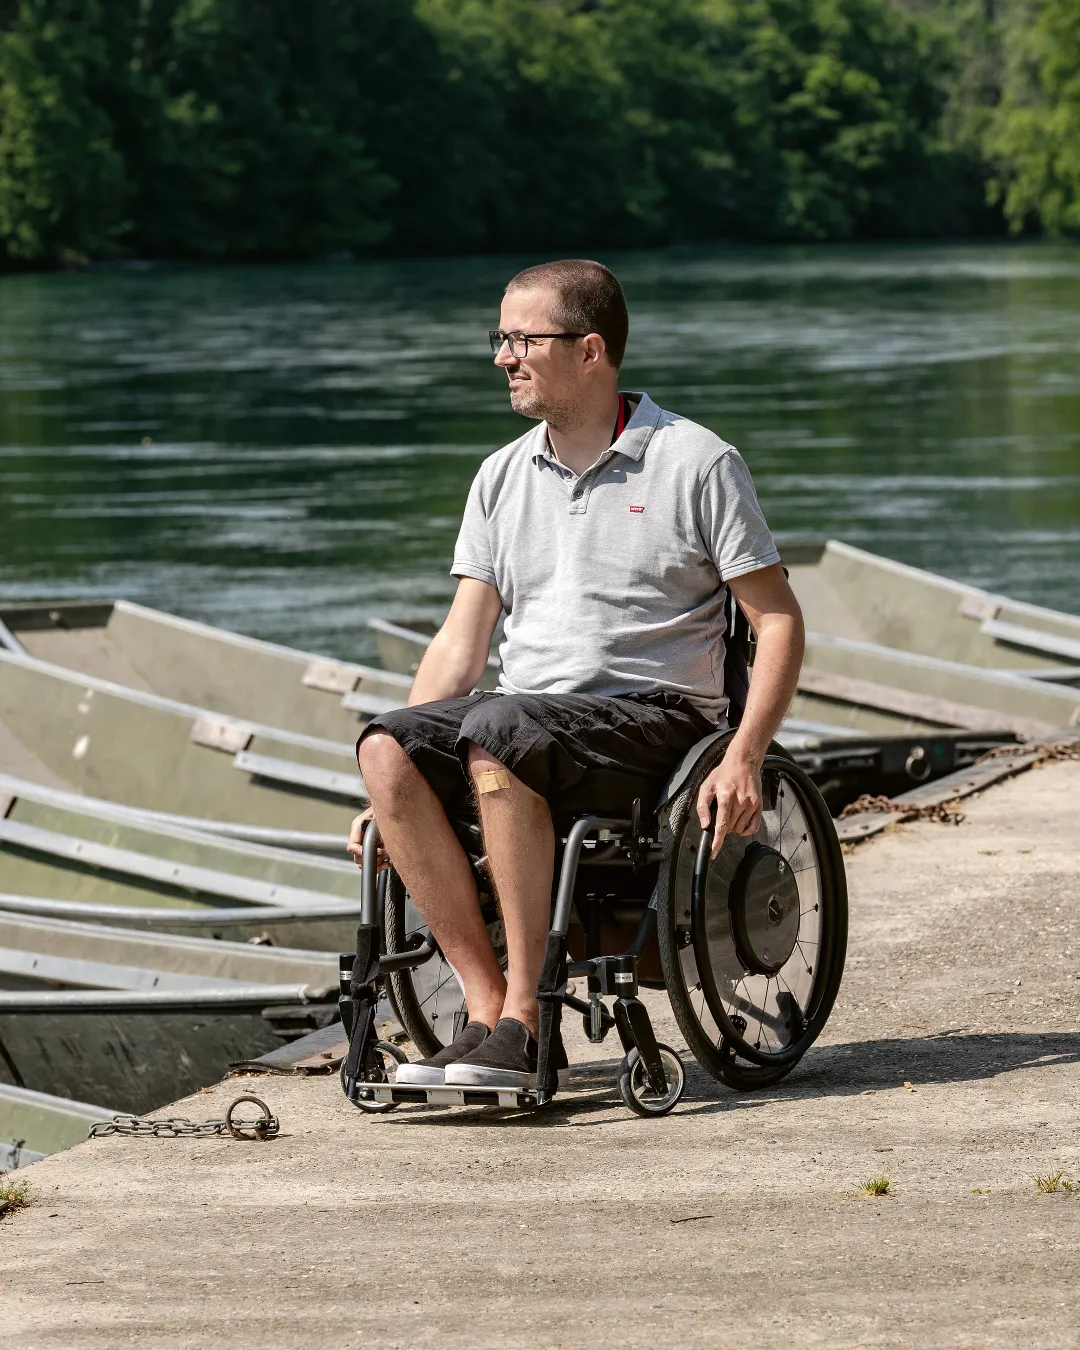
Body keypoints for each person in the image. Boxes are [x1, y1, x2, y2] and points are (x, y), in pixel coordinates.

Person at [348, 259, 804, 1091]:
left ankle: (527, 1014)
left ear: (590, 350)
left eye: (521, 339)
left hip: (655, 724)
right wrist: (397, 782)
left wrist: (744, 754)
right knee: (385, 748)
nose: (502, 357)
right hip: (528, 722)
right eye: (502, 338)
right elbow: (461, 641)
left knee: (498, 733)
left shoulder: (696, 463)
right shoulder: (500, 476)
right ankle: (488, 1013)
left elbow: (778, 622)